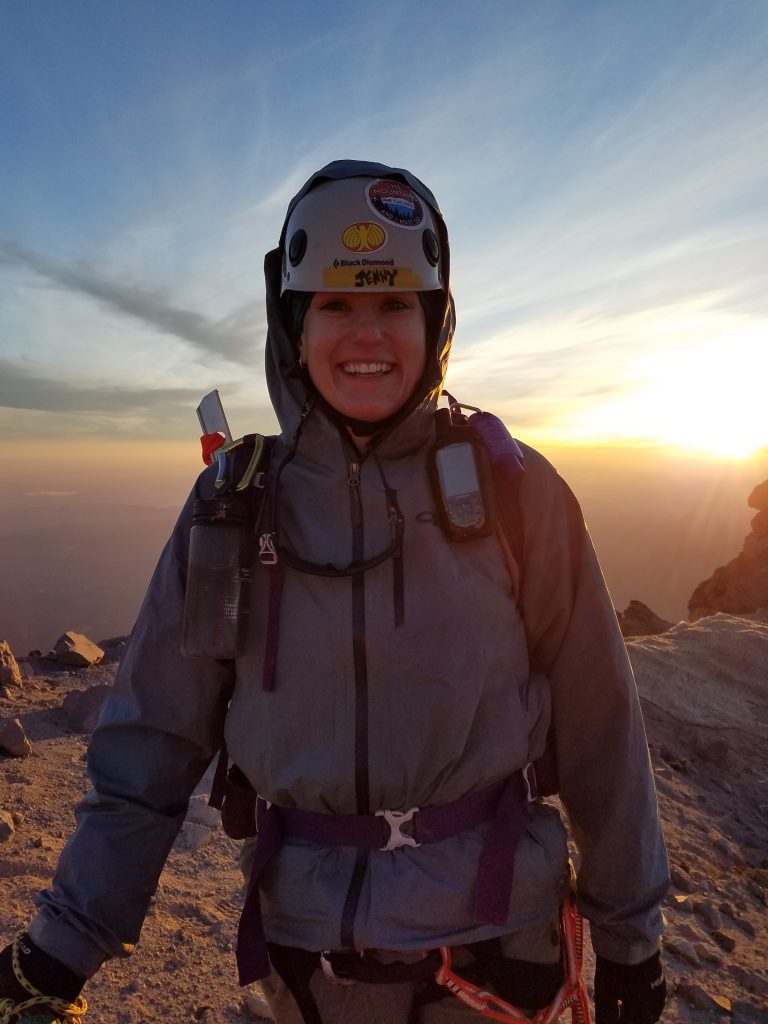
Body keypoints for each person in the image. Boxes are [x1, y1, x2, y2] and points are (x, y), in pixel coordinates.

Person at [0, 161, 669, 1024]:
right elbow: (152, 743)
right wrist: (63, 945)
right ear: (294, 324)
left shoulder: (515, 492)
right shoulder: (234, 505)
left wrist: (630, 944)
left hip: (501, 949)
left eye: (395, 303)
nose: (368, 334)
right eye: (336, 304)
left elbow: (602, 730)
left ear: (436, 323)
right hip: (308, 960)